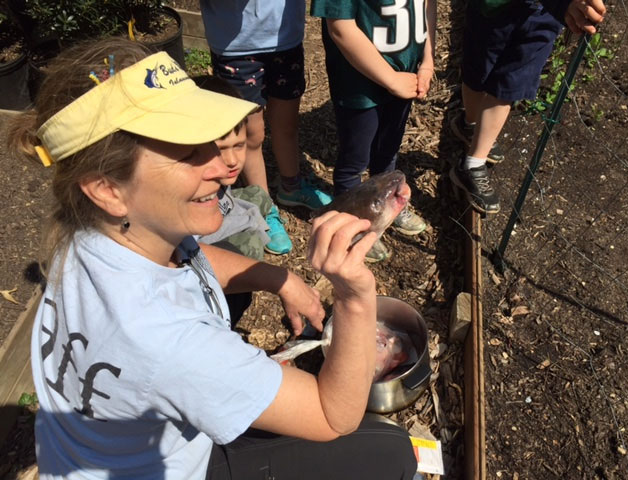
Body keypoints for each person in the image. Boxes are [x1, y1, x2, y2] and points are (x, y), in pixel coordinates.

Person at [10, 38, 418, 480]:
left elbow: (188, 255)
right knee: (391, 451)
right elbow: (330, 416)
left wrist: (278, 279)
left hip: (87, 455)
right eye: (189, 154)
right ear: (107, 188)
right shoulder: (166, 339)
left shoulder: (91, 230)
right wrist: (355, 297)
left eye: (210, 138)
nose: (224, 163)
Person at [199, 0, 333, 255]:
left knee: (286, 125)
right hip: (235, 45)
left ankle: (291, 187)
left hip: (285, 37)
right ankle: (264, 206)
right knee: (252, 134)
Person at [449, 0, 607, 214]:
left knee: (509, 85)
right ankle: (470, 123)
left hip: (543, 16)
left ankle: (473, 164)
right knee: (477, 72)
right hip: (496, 8)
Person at [311, 0, 436, 262]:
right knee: (355, 161)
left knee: (388, 149)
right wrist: (391, 80)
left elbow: (426, 5)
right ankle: (352, 227)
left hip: (405, 74)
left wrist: (426, 61)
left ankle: (392, 205)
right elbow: (340, 27)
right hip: (360, 85)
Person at [196, 76, 291, 258]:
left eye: (239, 145)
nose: (232, 160)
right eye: (221, 149)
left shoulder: (217, 174)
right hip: (207, 247)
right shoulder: (193, 191)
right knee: (250, 247)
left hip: (224, 208)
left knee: (258, 193)